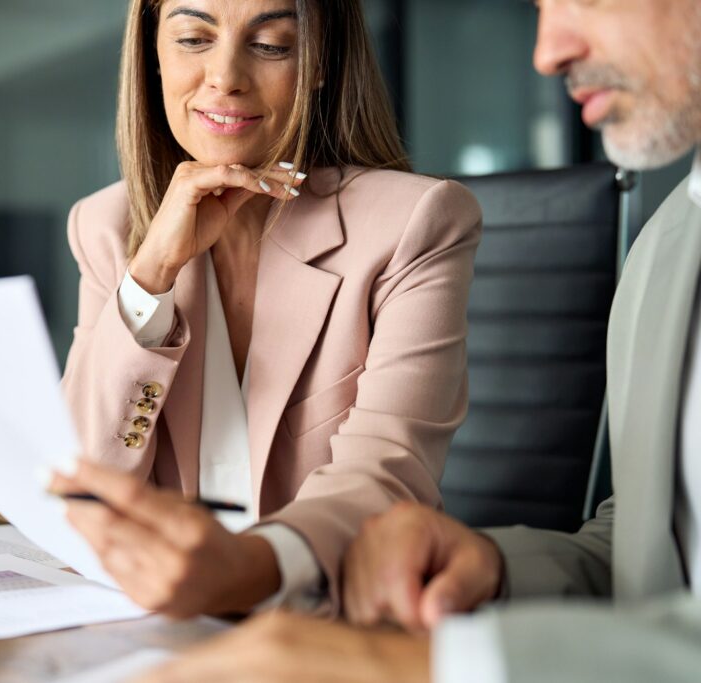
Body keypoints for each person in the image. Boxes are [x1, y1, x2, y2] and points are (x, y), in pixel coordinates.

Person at [136, 0, 701, 680]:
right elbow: (652, 560)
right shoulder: (672, 243)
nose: (546, 53)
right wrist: (492, 567)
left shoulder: (417, 222)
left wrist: (418, 660)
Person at [55, 0, 482, 618]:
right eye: (194, 39)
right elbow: (80, 491)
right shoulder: (106, 226)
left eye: (273, 44)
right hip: (152, 626)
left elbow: (385, 479)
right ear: (153, 56)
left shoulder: (417, 223)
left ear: (318, 65)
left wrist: (248, 572)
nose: (225, 75)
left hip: (327, 624)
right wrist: (150, 277)